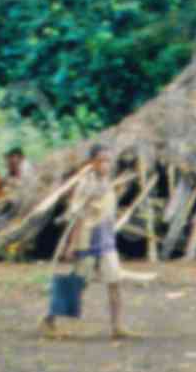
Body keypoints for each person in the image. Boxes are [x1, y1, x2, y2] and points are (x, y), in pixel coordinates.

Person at [43, 146, 132, 342]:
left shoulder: (106, 183)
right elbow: (78, 215)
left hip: (106, 241)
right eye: (101, 160)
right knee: (78, 284)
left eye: (108, 160)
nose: (106, 165)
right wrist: (72, 244)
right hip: (87, 241)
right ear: (92, 162)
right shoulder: (86, 184)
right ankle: (49, 319)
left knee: (115, 282)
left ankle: (117, 326)